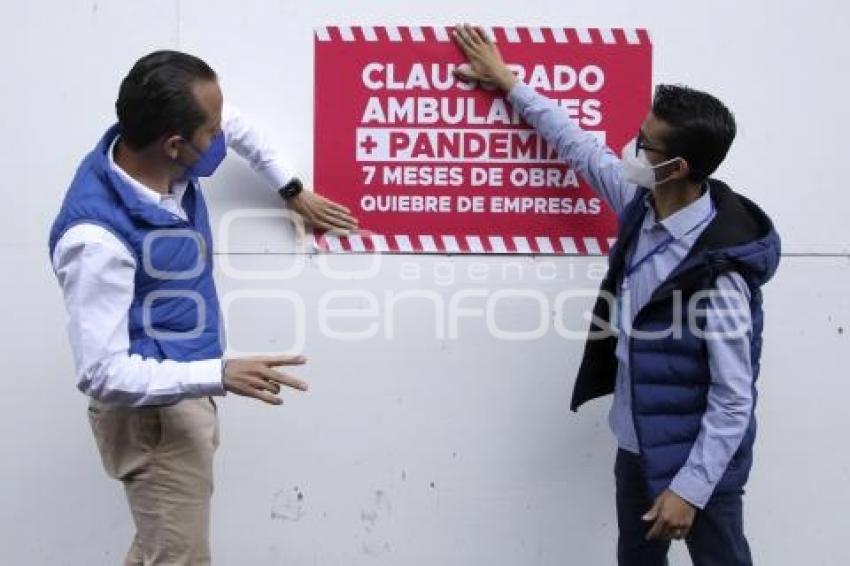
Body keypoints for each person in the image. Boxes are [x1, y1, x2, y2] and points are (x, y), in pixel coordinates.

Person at [453, 24, 780, 565]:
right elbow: (579, 148)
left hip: (703, 466)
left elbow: (733, 398)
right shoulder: (642, 205)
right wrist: (509, 82)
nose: (631, 147)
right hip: (637, 444)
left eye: (644, 143)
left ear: (677, 168)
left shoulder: (720, 272)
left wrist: (690, 489)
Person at [48, 50, 358, 565]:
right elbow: (101, 374)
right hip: (153, 419)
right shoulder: (95, 239)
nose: (222, 135)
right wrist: (217, 373)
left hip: (184, 389)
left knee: (162, 550)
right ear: (175, 145)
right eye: (210, 132)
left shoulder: (156, 140)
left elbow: (233, 123)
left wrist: (291, 189)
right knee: (178, 556)